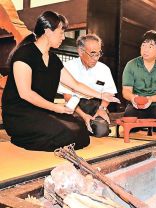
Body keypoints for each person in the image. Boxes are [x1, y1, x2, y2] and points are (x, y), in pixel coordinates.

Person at [1, 11, 119, 152]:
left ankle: (39, 135)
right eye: (61, 32)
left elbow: (75, 84)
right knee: (67, 133)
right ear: (48, 31)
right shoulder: (24, 54)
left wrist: (101, 95)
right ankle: (22, 138)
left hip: (43, 111)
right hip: (21, 114)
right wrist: (57, 108)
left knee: (80, 129)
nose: (63, 37)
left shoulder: (54, 59)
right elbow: (26, 93)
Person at [58, 34, 117, 137]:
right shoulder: (68, 67)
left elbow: (108, 92)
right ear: (81, 52)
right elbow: (67, 96)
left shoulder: (104, 69)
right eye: (92, 54)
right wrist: (84, 116)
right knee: (72, 132)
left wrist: (102, 109)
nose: (96, 58)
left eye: (98, 54)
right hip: (76, 106)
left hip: (96, 105)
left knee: (101, 130)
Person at [122, 30, 156, 124]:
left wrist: (150, 99)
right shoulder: (131, 64)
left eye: (150, 46)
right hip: (135, 104)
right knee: (129, 125)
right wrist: (133, 98)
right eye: (144, 45)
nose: (145, 49)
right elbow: (126, 91)